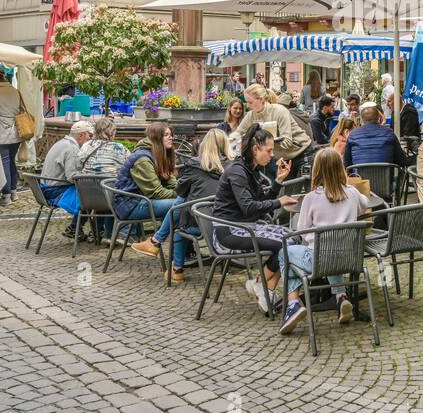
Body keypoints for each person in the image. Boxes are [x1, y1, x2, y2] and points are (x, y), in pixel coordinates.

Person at [277, 147, 372, 333]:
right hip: (349, 258)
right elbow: (365, 204)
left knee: (285, 253)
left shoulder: (311, 198)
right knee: (332, 250)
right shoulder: (351, 193)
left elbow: (302, 232)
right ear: (341, 169)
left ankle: (294, 303)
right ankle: (341, 297)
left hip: (319, 261)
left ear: (316, 170)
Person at [212, 125, 299, 311]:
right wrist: (280, 201)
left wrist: (278, 182)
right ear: (255, 149)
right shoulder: (237, 171)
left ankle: (262, 284)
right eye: (268, 150)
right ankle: (263, 286)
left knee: (295, 237)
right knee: (286, 244)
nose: (272, 154)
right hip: (228, 232)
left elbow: (260, 206)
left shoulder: (250, 169)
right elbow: (249, 208)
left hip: (245, 227)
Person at [131, 128, 228, 282]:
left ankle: (161, 248)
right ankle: (165, 256)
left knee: (181, 208)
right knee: (183, 203)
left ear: (205, 145)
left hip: (206, 225)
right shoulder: (234, 167)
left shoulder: (195, 166)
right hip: (232, 222)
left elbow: (180, 190)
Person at [108, 122, 178, 245]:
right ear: (156, 137)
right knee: (181, 206)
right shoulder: (143, 159)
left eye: (171, 134)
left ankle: (179, 250)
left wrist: (183, 191)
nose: (171, 137)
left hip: (144, 199)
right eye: (166, 135)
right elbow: (156, 192)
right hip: (131, 204)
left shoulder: (161, 154)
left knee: (185, 203)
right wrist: (180, 195)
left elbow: (172, 183)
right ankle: (160, 244)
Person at [235, 83, 311, 177]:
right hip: (285, 157)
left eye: (250, 102)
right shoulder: (251, 115)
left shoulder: (279, 111)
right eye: (246, 102)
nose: (248, 106)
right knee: (287, 190)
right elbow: (237, 134)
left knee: (303, 190)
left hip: (303, 152)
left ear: (261, 99)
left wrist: (263, 145)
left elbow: (287, 142)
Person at [0, 69, 29, 195]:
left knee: (4, 161)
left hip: (1, 132)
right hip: (17, 130)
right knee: (11, 160)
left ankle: (6, 194)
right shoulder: (15, 91)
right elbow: (21, 109)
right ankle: (14, 191)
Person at [40, 121, 94, 204]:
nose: (91, 139)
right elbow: (72, 177)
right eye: (90, 135)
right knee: (90, 195)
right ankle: (82, 216)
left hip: (45, 187)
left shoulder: (62, 142)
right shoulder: (72, 149)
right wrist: (90, 178)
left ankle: (82, 216)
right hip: (53, 191)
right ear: (80, 136)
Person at [344, 103, 409, 170]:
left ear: (361, 120)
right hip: (385, 179)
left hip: (360, 178)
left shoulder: (353, 135)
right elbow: (401, 160)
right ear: (378, 119)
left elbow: (346, 163)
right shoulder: (388, 133)